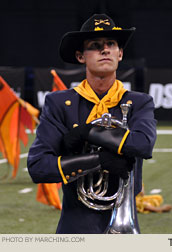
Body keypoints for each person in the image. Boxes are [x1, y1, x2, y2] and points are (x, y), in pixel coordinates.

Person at [27, 14, 157, 233]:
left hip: (122, 222)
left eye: (111, 44)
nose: (104, 50)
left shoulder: (139, 102)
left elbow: (144, 145)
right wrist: (98, 160)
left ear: (120, 53)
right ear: (80, 57)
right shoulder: (59, 103)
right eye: (95, 46)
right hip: (75, 224)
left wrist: (88, 133)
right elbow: (38, 167)